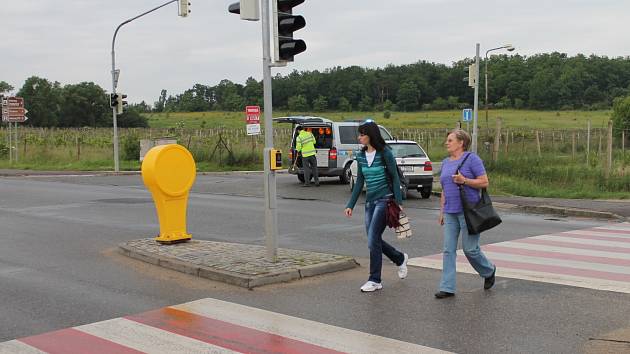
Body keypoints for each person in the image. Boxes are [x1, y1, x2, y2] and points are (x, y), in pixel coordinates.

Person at [344, 121, 409, 292]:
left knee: (373, 240)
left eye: (362, 134)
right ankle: (400, 258)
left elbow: (395, 177)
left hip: (384, 200)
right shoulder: (361, 156)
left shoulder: (384, 153)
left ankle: (375, 279)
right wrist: (350, 204)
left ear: (370, 135)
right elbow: (359, 182)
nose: (359, 137)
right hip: (370, 202)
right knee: (374, 240)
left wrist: (399, 201)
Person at [435, 129, 496, 299]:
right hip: (450, 212)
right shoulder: (446, 162)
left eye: (450, 140)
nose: (446, 143)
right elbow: (445, 190)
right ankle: (447, 287)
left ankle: (489, 270)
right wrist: (441, 211)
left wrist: (465, 181)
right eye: (447, 140)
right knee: (448, 250)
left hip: (469, 212)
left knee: (470, 250)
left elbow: (485, 182)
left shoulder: (472, 159)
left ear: (461, 143)